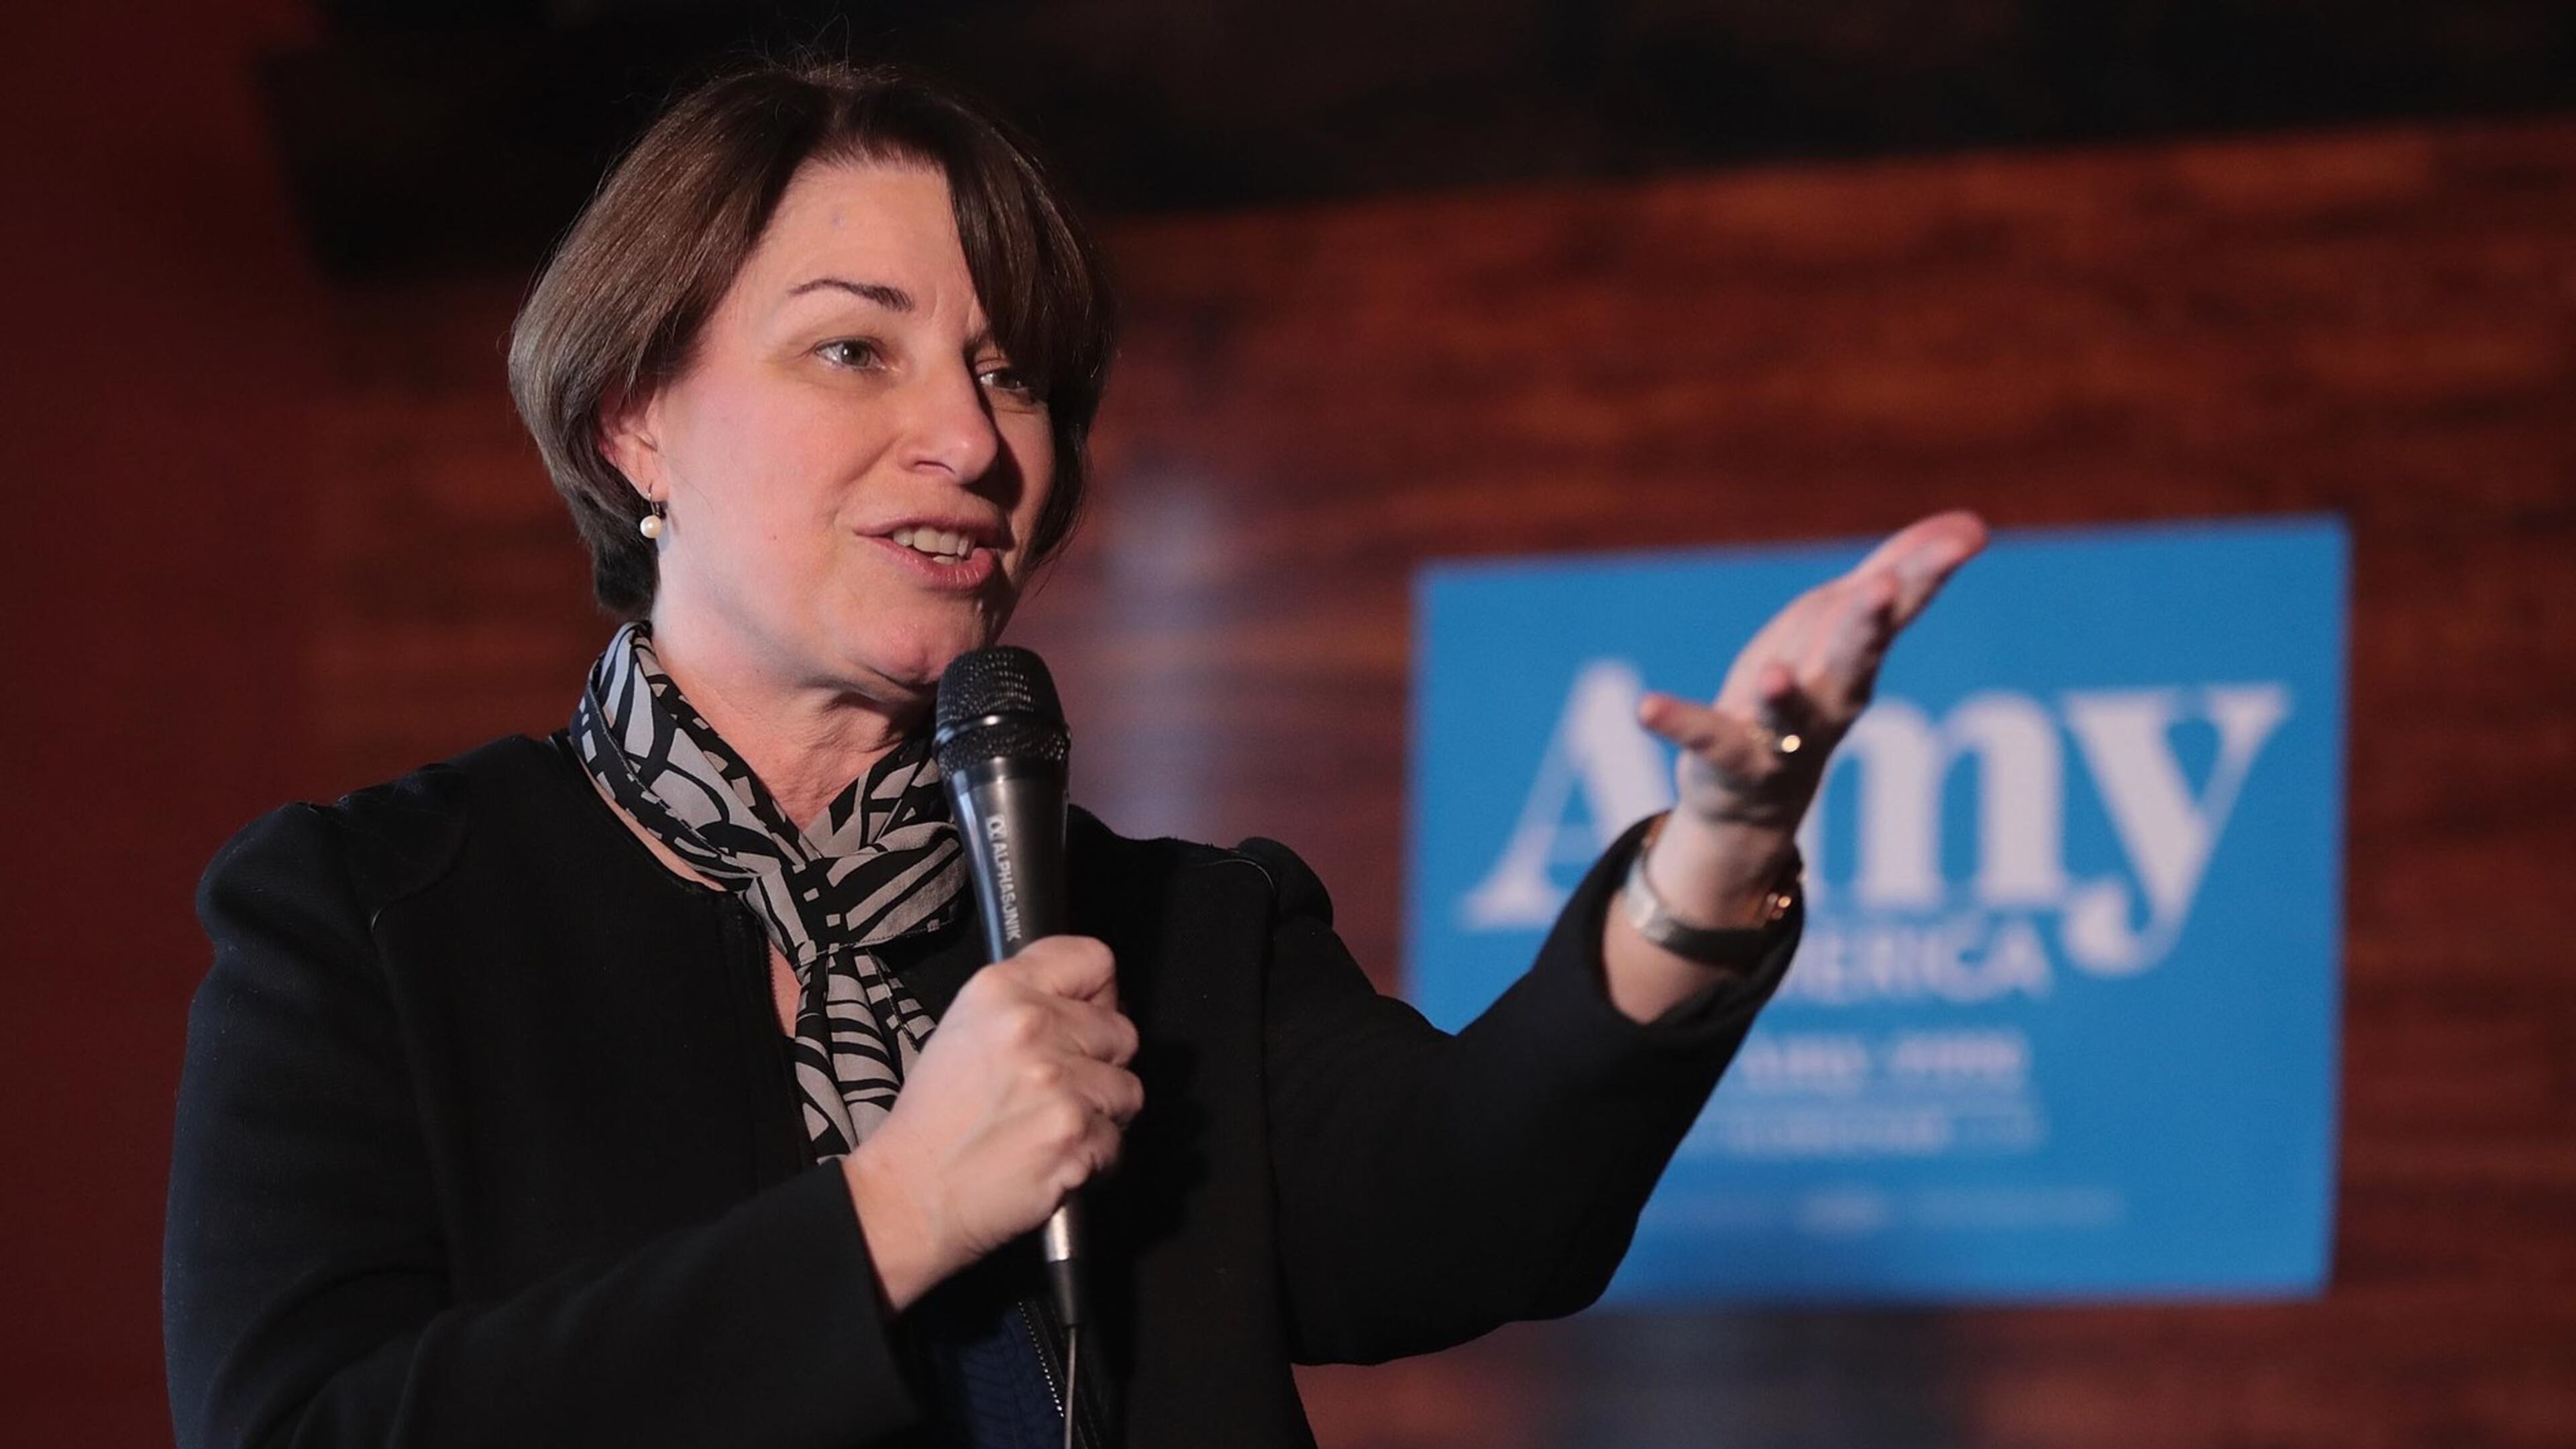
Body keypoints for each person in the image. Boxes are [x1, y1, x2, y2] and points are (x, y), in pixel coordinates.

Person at [162, 60, 1984, 1449]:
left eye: (1015, 373)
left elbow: (1473, 1207)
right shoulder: (373, 918)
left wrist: (1716, 853)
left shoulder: (1174, 933)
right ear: (638, 418)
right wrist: (894, 1212)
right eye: (853, 353)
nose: (965, 434)